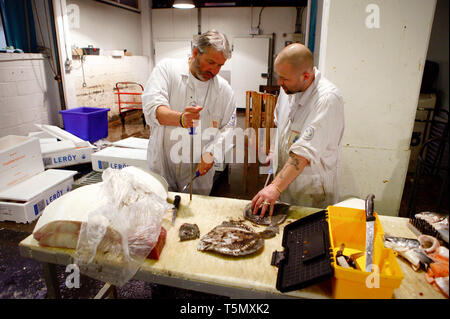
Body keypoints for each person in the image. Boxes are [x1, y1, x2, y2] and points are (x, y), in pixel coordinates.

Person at [251, 43, 344, 216]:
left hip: (311, 190)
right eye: (279, 76)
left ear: (306, 76)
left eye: (284, 79)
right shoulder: (288, 88)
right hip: (287, 182)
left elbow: (304, 153)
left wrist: (274, 187)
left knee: (307, 232)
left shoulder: (327, 100)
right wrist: (273, 151)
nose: (279, 82)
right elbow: (280, 123)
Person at [142, 30, 236, 195]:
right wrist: (180, 119)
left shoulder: (224, 90)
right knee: (161, 211)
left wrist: (211, 153)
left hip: (198, 173)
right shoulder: (167, 70)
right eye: (210, 62)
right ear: (195, 53)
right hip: (163, 164)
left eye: (220, 65)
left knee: (195, 213)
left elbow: (228, 127)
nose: (214, 70)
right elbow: (152, 108)